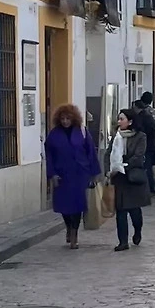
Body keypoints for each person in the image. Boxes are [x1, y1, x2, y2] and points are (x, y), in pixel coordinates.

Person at [44, 103, 101, 250]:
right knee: (64, 206)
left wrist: (94, 173)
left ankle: (74, 235)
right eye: (62, 119)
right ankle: (68, 226)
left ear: (73, 118)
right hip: (62, 175)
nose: (65, 121)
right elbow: (49, 157)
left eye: (68, 118)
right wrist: (52, 174)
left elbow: (91, 152)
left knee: (77, 206)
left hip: (79, 174)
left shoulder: (82, 132)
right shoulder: (54, 135)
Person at [108, 109, 152, 251]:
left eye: (122, 119)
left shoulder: (140, 137)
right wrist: (109, 169)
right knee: (120, 211)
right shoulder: (116, 136)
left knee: (134, 211)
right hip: (119, 178)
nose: (119, 121)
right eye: (119, 119)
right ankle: (123, 241)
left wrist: (123, 166)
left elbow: (138, 156)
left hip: (132, 177)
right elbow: (109, 153)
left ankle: (137, 230)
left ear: (130, 121)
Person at [133, 92, 155, 201]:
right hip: (151, 144)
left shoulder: (144, 116)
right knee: (148, 167)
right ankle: (150, 188)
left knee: (146, 167)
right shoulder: (149, 114)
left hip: (147, 145)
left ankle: (149, 189)